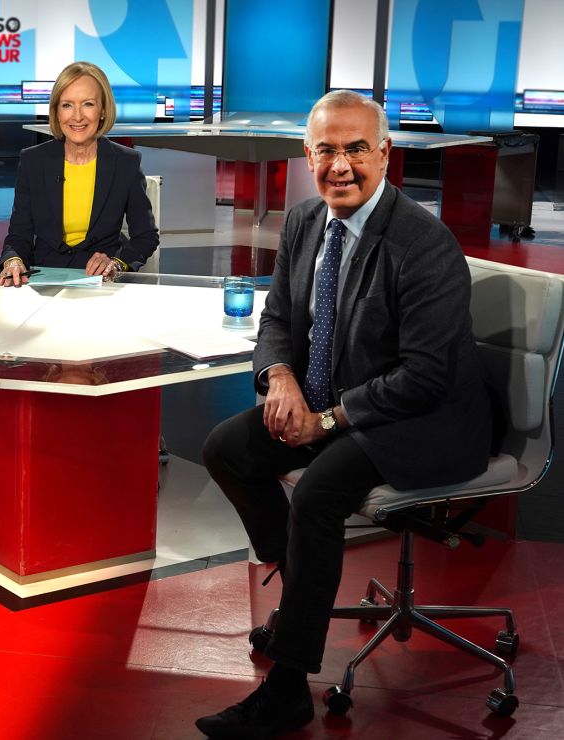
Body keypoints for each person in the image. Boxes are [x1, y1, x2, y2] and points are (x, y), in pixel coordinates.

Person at [196, 90, 491, 737]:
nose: (341, 165)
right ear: (307, 155)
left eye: (357, 148)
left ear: (386, 154)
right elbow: (277, 319)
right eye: (326, 149)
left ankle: (289, 685)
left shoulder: (424, 245)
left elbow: (425, 379)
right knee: (228, 448)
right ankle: (300, 586)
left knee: (320, 494)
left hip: (426, 420)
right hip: (341, 401)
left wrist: (326, 421)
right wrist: (280, 380)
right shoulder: (305, 222)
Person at [0, 61, 158, 286]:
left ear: (102, 111)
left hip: (100, 281)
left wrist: (116, 263)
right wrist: (13, 261)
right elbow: (19, 235)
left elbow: (145, 237)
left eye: (88, 104)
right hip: (44, 277)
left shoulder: (125, 163)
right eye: (67, 105)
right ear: (56, 111)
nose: (77, 116)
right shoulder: (34, 161)